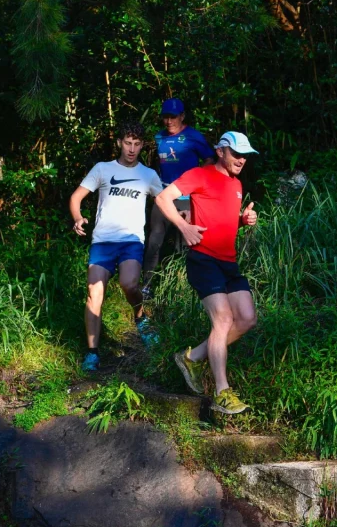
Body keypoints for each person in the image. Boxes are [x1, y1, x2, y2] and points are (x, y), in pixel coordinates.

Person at [153, 131, 259, 414]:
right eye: (236, 154)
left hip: (228, 262)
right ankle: (222, 392)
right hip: (203, 259)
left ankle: (191, 357)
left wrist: (243, 219)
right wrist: (183, 226)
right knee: (223, 319)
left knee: (247, 318)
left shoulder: (236, 184)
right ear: (221, 151)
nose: (241, 160)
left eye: (245, 156)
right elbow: (163, 199)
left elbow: (222, 219)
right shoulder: (199, 174)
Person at [69, 121, 164, 372]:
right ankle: (92, 353)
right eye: (127, 143)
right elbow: (77, 196)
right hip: (102, 241)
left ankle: (140, 318)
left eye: (136, 144)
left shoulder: (148, 175)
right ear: (120, 143)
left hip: (131, 241)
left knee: (129, 284)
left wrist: (185, 217)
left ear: (142, 145)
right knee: (93, 293)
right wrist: (78, 217)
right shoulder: (102, 169)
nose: (132, 149)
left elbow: (165, 200)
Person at [141, 98, 216, 299]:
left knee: (184, 244)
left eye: (173, 117)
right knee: (154, 240)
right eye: (165, 117)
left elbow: (209, 158)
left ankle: (183, 290)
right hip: (165, 196)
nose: (169, 121)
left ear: (182, 116)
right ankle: (146, 286)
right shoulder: (159, 137)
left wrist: (199, 180)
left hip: (188, 197)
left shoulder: (193, 136)